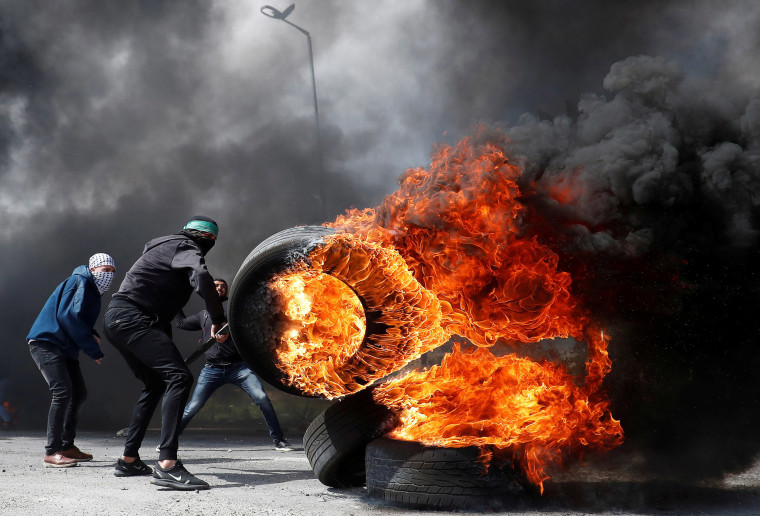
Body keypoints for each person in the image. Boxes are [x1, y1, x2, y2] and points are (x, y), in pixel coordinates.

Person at [103, 216, 226, 491]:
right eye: (211, 242)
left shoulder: (161, 247)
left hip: (117, 319)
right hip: (134, 318)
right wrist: (217, 317)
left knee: (156, 384)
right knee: (180, 378)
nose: (208, 248)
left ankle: (129, 459)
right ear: (206, 239)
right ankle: (167, 464)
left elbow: (159, 299)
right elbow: (203, 277)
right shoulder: (185, 246)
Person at [174, 278, 294, 451]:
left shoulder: (235, 310)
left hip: (239, 368)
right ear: (209, 290)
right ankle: (169, 441)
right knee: (192, 406)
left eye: (223, 286)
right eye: (216, 286)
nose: (220, 288)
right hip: (212, 369)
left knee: (261, 398)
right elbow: (181, 323)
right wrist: (174, 303)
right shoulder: (204, 314)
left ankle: (279, 440)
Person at [27, 253, 116, 467]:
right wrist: (92, 349)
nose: (109, 276)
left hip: (65, 346)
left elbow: (76, 316)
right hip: (47, 342)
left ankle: (67, 445)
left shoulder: (91, 287)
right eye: (105, 271)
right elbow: (68, 316)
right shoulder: (81, 280)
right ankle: (52, 451)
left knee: (79, 393)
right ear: (92, 269)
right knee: (62, 392)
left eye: (112, 272)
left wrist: (90, 332)